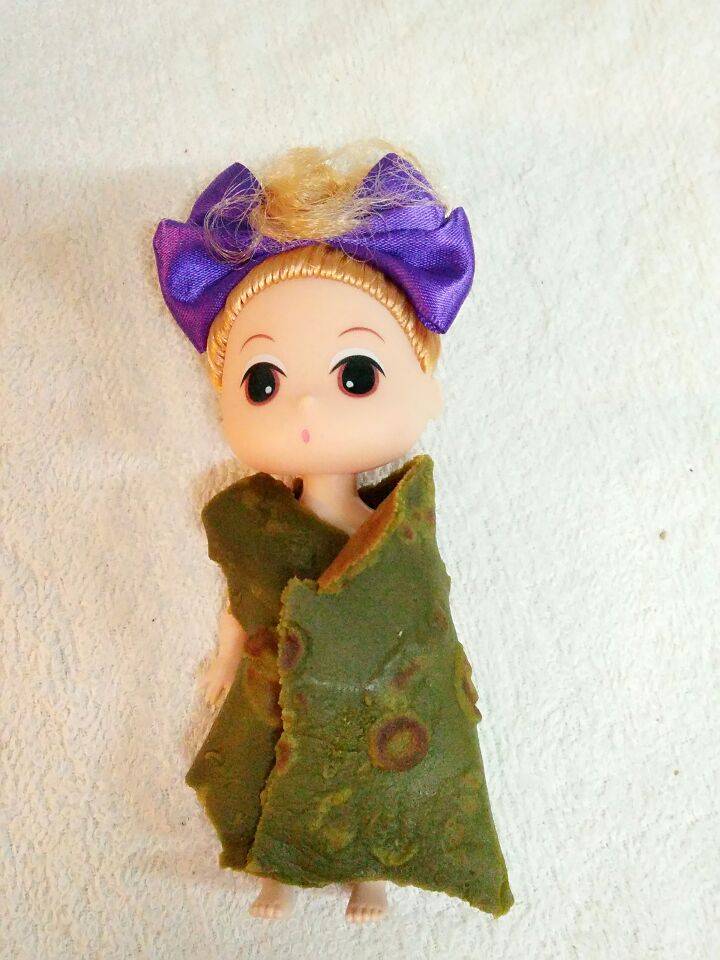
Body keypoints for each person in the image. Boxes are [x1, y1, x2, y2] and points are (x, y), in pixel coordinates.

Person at [153, 145, 513, 922]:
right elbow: (241, 600)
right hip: (278, 692)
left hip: (378, 703)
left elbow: (425, 617)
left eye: (355, 376)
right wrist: (224, 658)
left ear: (427, 390)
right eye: (264, 382)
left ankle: (369, 874)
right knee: (266, 779)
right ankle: (275, 874)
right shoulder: (250, 524)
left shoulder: (396, 530)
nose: (309, 409)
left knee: (377, 781)